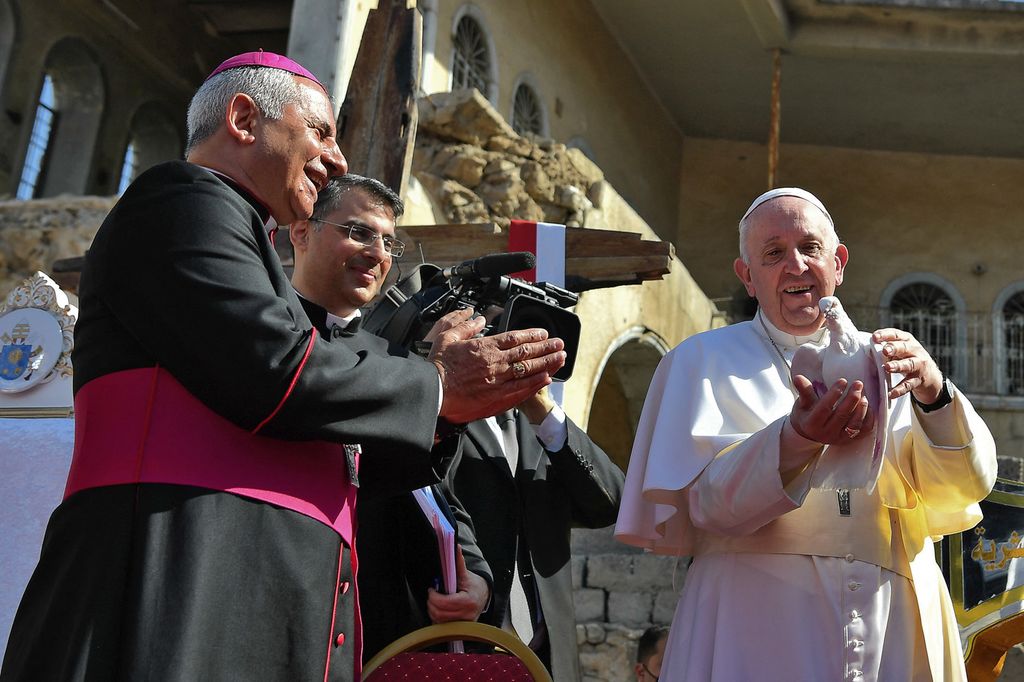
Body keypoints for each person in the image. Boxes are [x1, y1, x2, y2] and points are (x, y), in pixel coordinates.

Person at [0, 51, 565, 682]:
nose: (339, 159)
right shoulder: (182, 201)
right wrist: (435, 385)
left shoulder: (248, 241)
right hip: (180, 577)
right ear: (243, 118)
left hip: (255, 592)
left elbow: (338, 450)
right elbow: (278, 371)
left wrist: (445, 410)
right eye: (321, 131)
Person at [615, 187, 997, 681]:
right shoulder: (700, 361)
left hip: (893, 623)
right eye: (773, 253)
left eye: (809, 248)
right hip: (753, 620)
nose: (795, 264)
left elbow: (966, 487)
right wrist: (795, 438)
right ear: (748, 277)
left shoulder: (895, 360)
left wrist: (936, 395)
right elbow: (708, 506)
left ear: (838, 262)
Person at [287, 173, 492, 662]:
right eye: (358, 231)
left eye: (389, 242)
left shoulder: (400, 366)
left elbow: (437, 500)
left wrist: (477, 582)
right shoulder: (265, 335)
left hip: (379, 633)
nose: (378, 253)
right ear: (301, 232)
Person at [438, 376, 626, 681]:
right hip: (470, 650)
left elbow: (610, 504)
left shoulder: (543, 428)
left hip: (547, 661)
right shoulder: (443, 416)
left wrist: (544, 412)